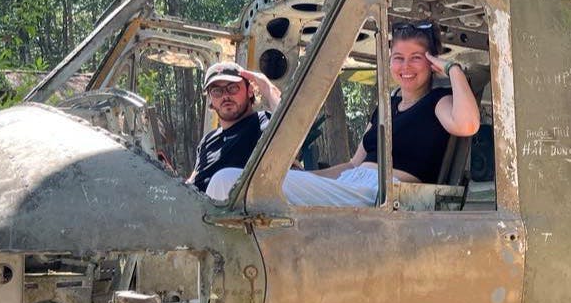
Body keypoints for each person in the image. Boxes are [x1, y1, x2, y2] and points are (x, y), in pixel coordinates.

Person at [206, 22, 480, 205]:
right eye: (398, 58)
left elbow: (467, 124)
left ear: (431, 63)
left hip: (384, 194)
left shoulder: (438, 101)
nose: (406, 66)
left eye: (416, 57)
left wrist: (453, 68)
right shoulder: (386, 108)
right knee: (251, 180)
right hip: (353, 183)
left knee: (228, 181)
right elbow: (351, 165)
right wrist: (308, 177)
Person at [188, 62, 280, 193]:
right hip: (199, 208)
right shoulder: (207, 142)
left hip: (240, 210)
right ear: (210, 100)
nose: (225, 96)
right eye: (216, 91)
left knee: (224, 178)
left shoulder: (263, 122)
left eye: (232, 88)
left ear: (249, 91)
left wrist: (266, 86)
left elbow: (293, 122)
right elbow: (191, 183)